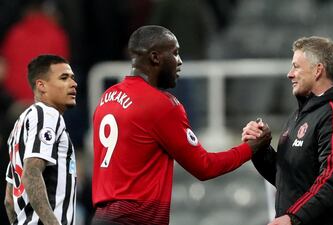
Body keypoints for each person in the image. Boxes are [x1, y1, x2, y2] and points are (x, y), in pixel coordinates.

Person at [91, 25, 271, 225]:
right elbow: (204, 167)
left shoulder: (107, 98)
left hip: (102, 217)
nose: (180, 61)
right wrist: (251, 148)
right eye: (175, 53)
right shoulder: (161, 104)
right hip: (136, 219)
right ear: (155, 57)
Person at [242, 36, 333, 225]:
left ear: (318, 70)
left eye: (296, 66)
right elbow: (289, 181)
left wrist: (293, 218)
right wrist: (259, 148)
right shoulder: (298, 116)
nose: (289, 74)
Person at [4, 54, 78, 225]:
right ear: (41, 85)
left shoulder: (19, 126)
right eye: (64, 78)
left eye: (73, 77)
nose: (74, 84)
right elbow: (31, 174)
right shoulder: (47, 114)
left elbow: (9, 200)